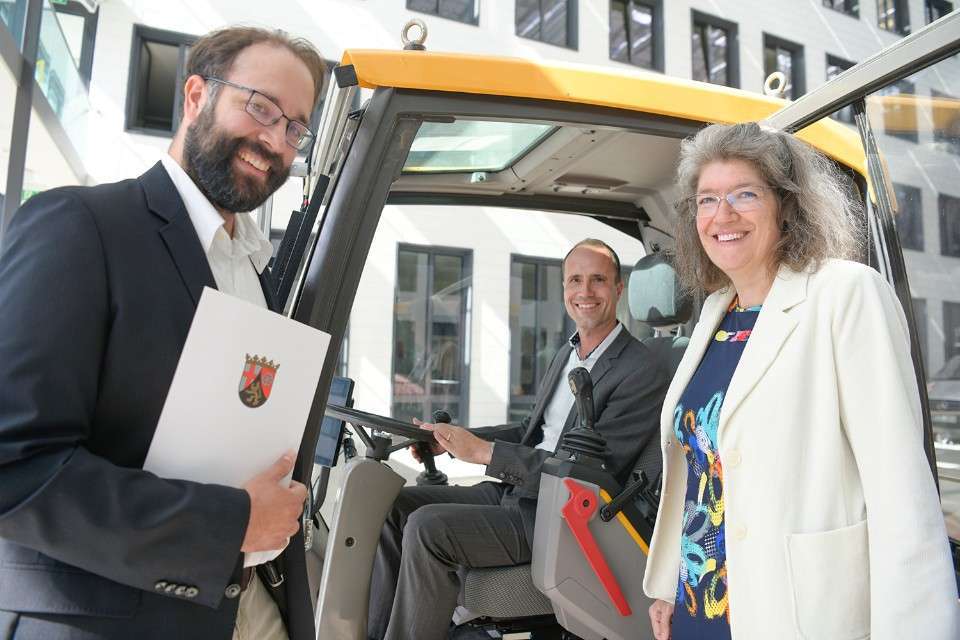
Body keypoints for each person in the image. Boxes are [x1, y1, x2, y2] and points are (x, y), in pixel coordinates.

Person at [0, 27, 327, 640]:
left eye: (295, 129)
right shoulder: (80, 227)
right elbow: (14, 468)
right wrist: (229, 522)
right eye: (261, 108)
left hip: (239, 605)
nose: (275, 141)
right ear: (197, 95)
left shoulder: (251, 269)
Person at [642, 122, 960, 640]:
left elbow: (901, 492)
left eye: (745, 194)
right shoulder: (716, 312)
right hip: (701, 605)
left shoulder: (846, 294)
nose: (723, 215)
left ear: (786, 205)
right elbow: (702, 471)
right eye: (707, 199)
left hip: (798, 613)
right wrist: (669, 584)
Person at [368, 239, 670, 640]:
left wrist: (485, 453)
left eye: (598, 280)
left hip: (559, 518)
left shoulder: (641, 370)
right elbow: (533, 431)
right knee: (393, 506)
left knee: (427, 527)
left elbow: (589, 475)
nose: (585, 291)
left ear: (618, 289)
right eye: (575, 280)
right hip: (518, 493)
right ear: (563, 288)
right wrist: (455, 441)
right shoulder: (568, 353)